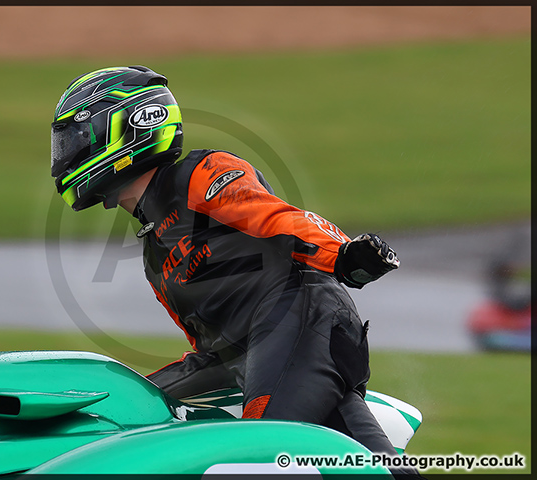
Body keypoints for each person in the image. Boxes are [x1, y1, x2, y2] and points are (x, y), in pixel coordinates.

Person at [50, 66, 406, 460]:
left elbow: (278, 219)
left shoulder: (201, 174)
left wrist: (343, 255)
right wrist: (131, 395)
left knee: (257, 457)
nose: (65, 153)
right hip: (281, 353)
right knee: (374, 466)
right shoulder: (155, 256)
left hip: (306, 323)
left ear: (127, 127)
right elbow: (215, 352)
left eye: (77, 137)